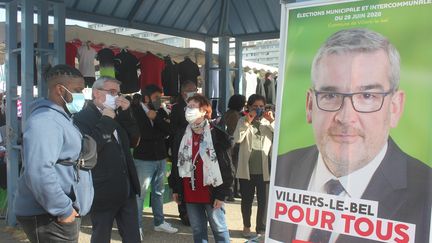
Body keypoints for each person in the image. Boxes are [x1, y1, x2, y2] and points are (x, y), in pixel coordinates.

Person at [270, 28, 432, 243]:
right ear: (310, 105)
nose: (346, 117)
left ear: (395, 107)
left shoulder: (425, 192)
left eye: (367, 96)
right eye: (330, 95)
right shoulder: (282, 167)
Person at [13, 64, 93, 243]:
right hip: (49, 217)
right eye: (78, 90)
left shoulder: (61, 118)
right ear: (59, 89)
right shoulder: (46, 121)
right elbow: (38, 171)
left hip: (55, 214)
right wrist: (63, 210)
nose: (82, 95)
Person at [73, 76, 141, 243]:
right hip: (102, 191)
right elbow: (88, 150)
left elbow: (135, 140)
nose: (116, 97)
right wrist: (106, 120)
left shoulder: (117, 114)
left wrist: (126, 114)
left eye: (118, 93)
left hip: (126, 189)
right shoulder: (83, 117)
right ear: (96, 93)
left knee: (133, 237)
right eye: (111, 92)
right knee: (101, 236)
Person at [170, 93, 233, 243]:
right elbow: (176, 163)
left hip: (212, 191)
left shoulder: (217, 134)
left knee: (219, 228)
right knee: (198, 229)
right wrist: (176, 189)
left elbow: (227, 167)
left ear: (204, 111)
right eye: (188, 106)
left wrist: (221, 194)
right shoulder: (182, 134)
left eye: (193, 107)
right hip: (190, 190)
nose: (188, 110)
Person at [131, 84, 178, 239]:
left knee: (159, 192)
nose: (159, 100)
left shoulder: (161, 111)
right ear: (146, 98)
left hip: (161, 157)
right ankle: (136, 226)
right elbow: (143, 135)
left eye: (160, 97)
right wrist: (161, 130)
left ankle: (159, 222)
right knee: (140, 194)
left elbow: (170, 129)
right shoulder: (135, 111)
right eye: (156, 97)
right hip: (143, 159)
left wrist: (156, 118)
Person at [233, 94, 274, 238]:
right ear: (248, 107)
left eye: (261, 106)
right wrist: (247, 122)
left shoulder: (268, 123)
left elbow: (279, 137)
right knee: (246, 201)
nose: (258, 109)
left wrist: (272, 121)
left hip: (265, 170)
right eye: (255, 106)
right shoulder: (242, 121)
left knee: (263, 202)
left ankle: (261, 229)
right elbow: (237, 139)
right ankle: (246, 226)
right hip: (247, 170)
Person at [168, 80, 198, 225]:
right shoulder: (177, 108)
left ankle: (194, 210)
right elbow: (173, 129)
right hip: (181, 147)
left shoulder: (200, 105)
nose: (194, 91)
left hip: (196, 148)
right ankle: (184, 212)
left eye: (195, 89)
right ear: (183, 92)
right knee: (181, 179)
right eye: (190, 89)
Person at [220, 94, 247, 201]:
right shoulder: (235, 115)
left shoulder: (228, 113)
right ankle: (232, 192)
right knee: (234, 169)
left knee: (232, 169)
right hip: (234, 144)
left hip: (229, 144)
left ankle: (233, 192)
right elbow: (235, 130)